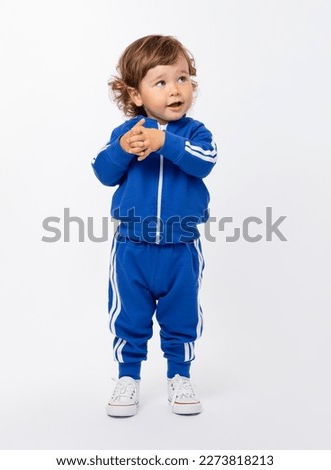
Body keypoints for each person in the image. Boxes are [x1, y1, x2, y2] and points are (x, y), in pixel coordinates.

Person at [92, 34, 217, 417]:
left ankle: (180, 375)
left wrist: (165, 142)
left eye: (182, 79)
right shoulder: (127, 135)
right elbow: (103, 172)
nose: (175, 90)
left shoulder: (195, 134)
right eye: (160, 82)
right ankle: (127, 377)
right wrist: (122, 149)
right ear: (135, 95)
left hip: (181, 248)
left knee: (182, 315)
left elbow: (204, 161)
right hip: (133, 248)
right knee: (129, 314)